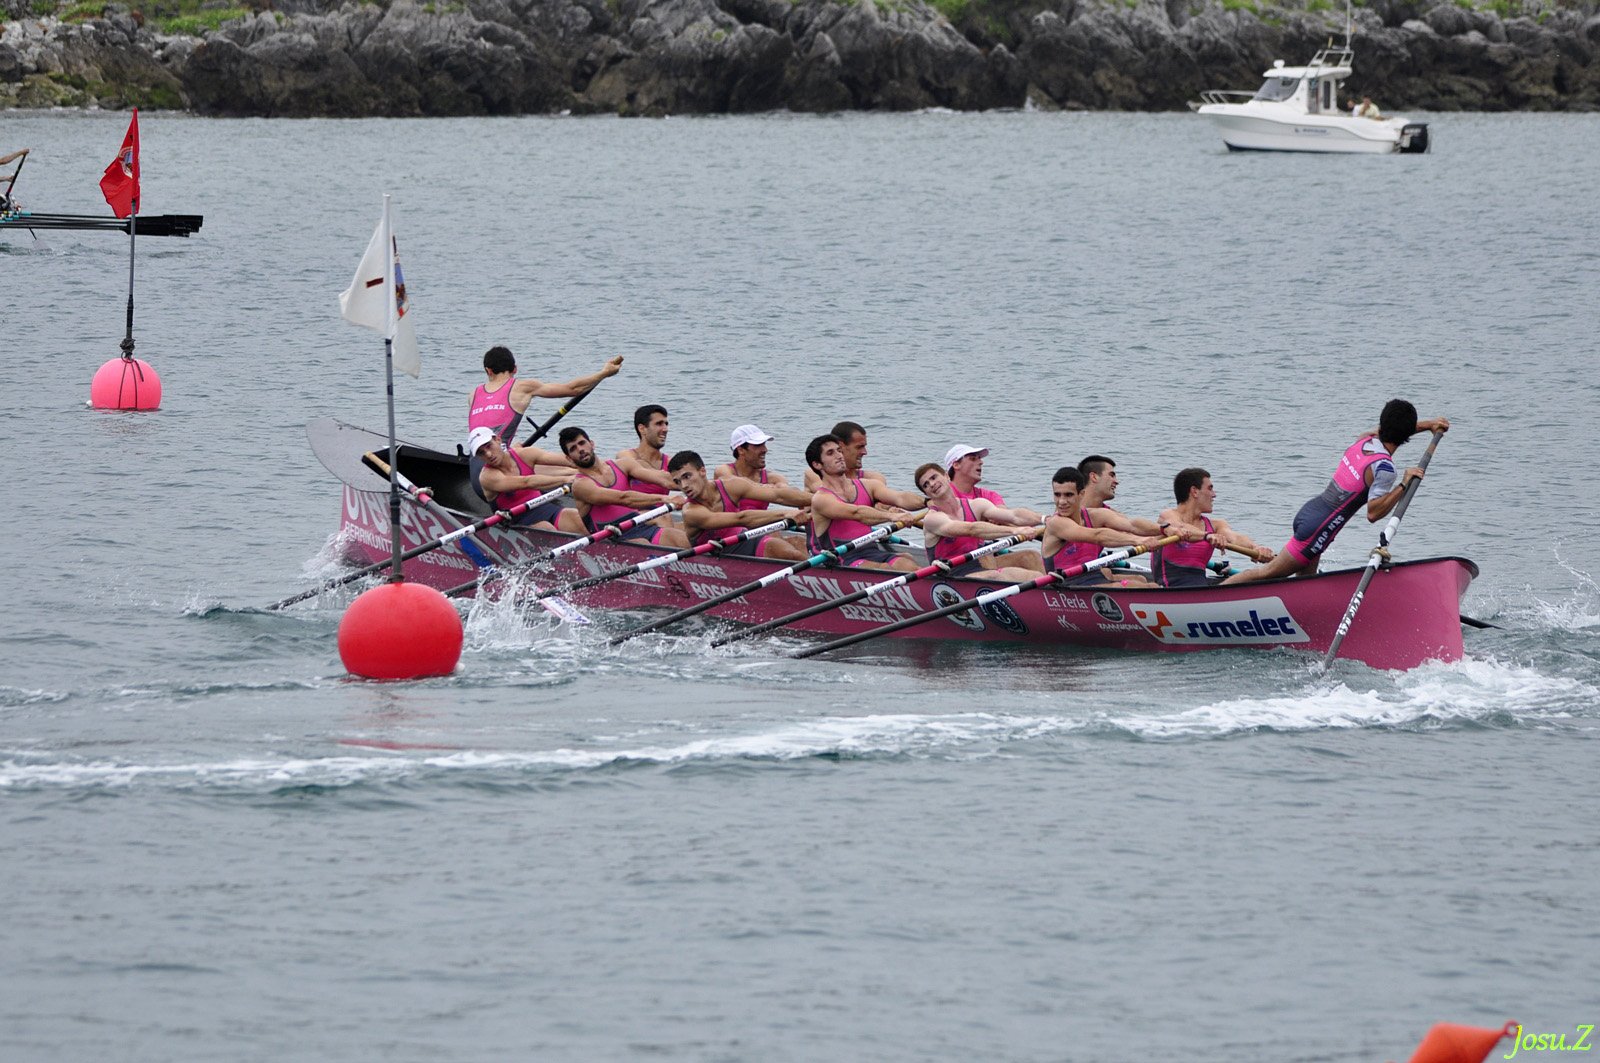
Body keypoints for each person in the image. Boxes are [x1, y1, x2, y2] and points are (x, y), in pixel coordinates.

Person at [1223, 401, 1450, 585]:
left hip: (1312, 511)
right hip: (1319, 529)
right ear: (1405, 435)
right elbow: (1373, 514)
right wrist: (1403, 485)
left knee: (1305, 582)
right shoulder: (1386, 468)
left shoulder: (1365, 440)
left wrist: (1428, 425)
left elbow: (1392, 430)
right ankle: (1214, 599)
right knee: (1267, 573)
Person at [466, 347, 622, 501]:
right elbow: (573, 389)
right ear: (515, 369)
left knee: (528, 456)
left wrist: (512, 450)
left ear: (488, 371)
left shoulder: (473, 394)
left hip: (476, 477)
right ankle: (608, 477)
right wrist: (604, 373)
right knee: (567, 466)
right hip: (498, 480)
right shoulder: (521, 387)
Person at [1043, 467, 1193, 587]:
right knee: (1137, 587)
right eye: (1057, 495)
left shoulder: (1095, 515)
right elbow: (1098, 536)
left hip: (1093, 578)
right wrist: (1137, 541)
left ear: (1081, 494)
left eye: (1068, 495)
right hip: (1066, 585)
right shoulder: (1056, 523)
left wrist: (1165, 529)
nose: (1061, 502)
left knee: (1147, 583)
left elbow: (1132, 525)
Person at [558, 426, 690, 548]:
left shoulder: (622, 465)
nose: (580, 450)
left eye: (582, 443)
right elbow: (624, 498)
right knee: (642, 543)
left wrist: (696, 485)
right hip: (612, 537)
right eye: (573, 449)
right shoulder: (581, 485)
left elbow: (663, 479)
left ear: (592, 444)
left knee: (678, 538)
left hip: (637, 525)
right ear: (569, 459)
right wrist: (665, 499)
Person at [805, 434, 921, 571]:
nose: (839, 456)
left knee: (906, 562)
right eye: (830, 453)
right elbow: (857, 513)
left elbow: (900, 497)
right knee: (885, 569)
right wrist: (892, 516)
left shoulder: (867, 485)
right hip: (842, 560)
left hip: (872, 552)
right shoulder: (821, 499)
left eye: (839, 451)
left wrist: (928, 501)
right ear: (817, 464)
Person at [668, 451, 812, 560]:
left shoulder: (732, 485)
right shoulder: (691, 512)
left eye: (687, 476)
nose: (684, 486)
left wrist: (817, 500)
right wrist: (785, 514)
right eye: (677, 482)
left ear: (702, 471)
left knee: (792, 555)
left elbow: (778, 495)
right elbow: (741, 518)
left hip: (745, 540)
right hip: (715, 557)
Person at [914, 462, 1044, 581]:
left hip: (978, 566)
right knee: (995, 576)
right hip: (950, 575)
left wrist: (1044, 519)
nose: (931, 484)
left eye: (933, 477)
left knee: (1035, 575)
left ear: (947, 476)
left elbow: (1014, 515)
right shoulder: (932, 518)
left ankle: (1050, 594)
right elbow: (971, 530)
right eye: (926, 485)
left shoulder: (976, 505)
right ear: (927, 494)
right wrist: (1015, 531)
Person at [1151, 468, 1274, 587]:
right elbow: (1180, 527)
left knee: (1251, 575)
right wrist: (1207, 536)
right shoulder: (1168, 515)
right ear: (1194, 491)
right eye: (1210, 488)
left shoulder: (1216, 525)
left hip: (1200, 589)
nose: (1214, 495)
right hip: (1170, 589)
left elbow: (1235, 538)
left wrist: (1255, 548)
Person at [467, 426, 582, 533]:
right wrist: (565, 479)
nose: (488, 454)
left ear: (498, 440)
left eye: (489, 446)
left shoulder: (525, 454)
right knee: (546, 528)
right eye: (481, 453)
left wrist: (587, 463)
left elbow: (567, 460)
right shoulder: (487, 477)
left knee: (578, 517)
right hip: (515, 521)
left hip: (544, 508)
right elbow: (526, 482)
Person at [803, 420, 888, 490]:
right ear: (841, 446)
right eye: (859, 447)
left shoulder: (874, 478)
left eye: (864, 447)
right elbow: (829, 492)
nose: (865, 452)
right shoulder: (814, 474)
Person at [615, 404, 676, 497]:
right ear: (642, 429)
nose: (665, 429)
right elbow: (636, 466)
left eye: (666, 424)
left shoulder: (669, 462)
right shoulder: (626, 455)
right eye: (659, 424)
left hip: (663, 506)